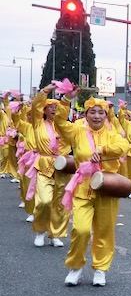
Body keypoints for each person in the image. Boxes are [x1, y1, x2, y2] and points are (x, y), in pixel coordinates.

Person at [55, 89, 129, 287]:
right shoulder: (77, 131)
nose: (96, 116)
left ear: (106, 115)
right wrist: (65, 100)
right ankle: (76, 266)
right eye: (92, 112)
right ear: (85, 114)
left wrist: (102, 150)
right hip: (82, 188)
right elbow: (60, 124)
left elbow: (124, 146)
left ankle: (100, 269)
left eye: (101, 112)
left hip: (108, 187)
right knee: (81, 229)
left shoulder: (113, 135)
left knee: (105, 231)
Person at [28, 84, 73, 248]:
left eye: (57, 107)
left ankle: (56, 234)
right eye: (51, 107)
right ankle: (40, 231)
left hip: (63, 167)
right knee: (44, 201)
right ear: (44, 110)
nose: (54, 109)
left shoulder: (67, 127)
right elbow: (35, 105)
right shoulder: (38, 123)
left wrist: (67, 99)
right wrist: (45, 91)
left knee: (60, 204)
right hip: (44, 165)